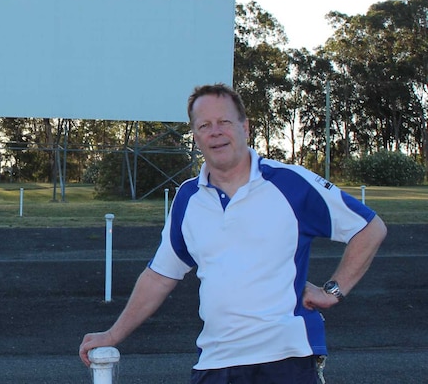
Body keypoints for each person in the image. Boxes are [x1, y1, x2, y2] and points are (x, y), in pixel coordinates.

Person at [79, 83, 387, 383]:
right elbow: (159, 277)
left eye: (224, 122)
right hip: (216, 362)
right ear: (196, 136)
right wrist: (112, 334)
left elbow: (369, 228)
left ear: (245, 128)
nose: (215, 132)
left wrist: (332, 292)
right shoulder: (188, 199)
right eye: (205, 125)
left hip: (286, 360)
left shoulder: (290, 184)